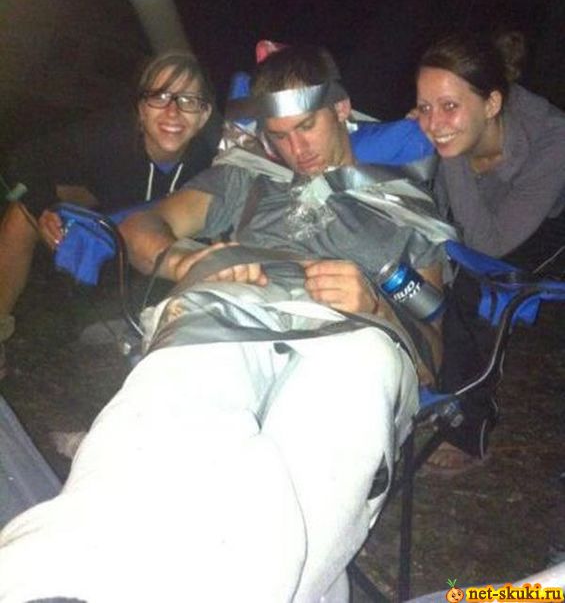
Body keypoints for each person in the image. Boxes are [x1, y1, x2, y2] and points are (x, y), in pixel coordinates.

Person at [0, 44, 450, 602]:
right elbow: (143, 227)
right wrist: (184, 262)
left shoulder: (406, 208)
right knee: (164, 404)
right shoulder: (248, 178)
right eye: (278, 135)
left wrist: (377, 307)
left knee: (325, 441)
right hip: (235, 309)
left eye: (306, 127)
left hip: (353, 338)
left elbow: (431, 355)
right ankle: (49, 569)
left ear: (340, 109)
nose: (295, 150)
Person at [0, 50, 221, 353]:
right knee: (20, 214)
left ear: (204, 115)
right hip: (107, 207)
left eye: (188, 100)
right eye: (159, 97)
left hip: (162, 232)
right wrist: (44, 207)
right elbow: (24, 160)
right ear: (141, 109)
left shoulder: (214, 158)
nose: (173, 111)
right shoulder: (109, 133)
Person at [414, 30, 565, 470]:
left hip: (550, 225)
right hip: (486, 215)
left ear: (492, 104)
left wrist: (447, 154)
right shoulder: (448, 132)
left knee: (483, 289)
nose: (434, 121)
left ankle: (469, 432)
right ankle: (428, 388)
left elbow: (487, 244)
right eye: (425, 107)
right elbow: (434, 211)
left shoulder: (553, 140)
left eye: (449, 106)